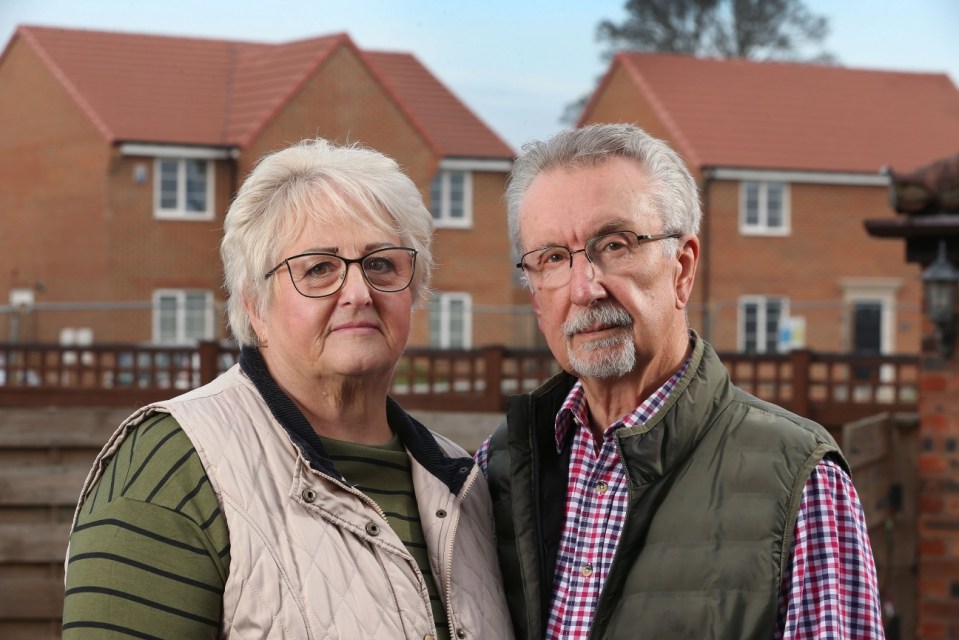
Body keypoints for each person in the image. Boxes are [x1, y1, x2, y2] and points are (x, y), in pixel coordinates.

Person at [63, 138, 514, 639]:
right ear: (255, 306)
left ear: (415, 287)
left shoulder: (465, 488)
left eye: (382, 264)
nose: (359, 293)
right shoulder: (176, 466)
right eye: (319, 268)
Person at [475, 123, 884, 639]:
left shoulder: (802, 486)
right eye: (553, 258)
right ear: (535, 294)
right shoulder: (498, 468)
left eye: (615, 244)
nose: (584, 288)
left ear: (683, 268)